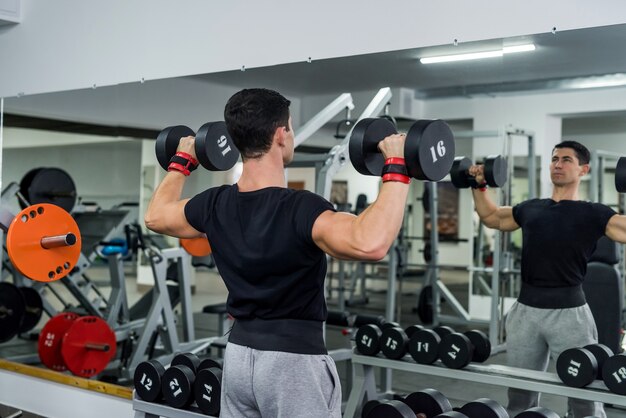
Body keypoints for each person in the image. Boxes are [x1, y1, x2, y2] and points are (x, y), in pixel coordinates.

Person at [144, 88, 410, 418]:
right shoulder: (301, 209)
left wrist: (183, 161)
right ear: (281, 134)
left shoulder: (215, 204)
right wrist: (397, 165)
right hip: (292, 364)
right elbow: (370, 242)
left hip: (239, 358)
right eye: (291, 127)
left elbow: (155, 215)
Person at [469, 140, 626, 418]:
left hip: (570, 315)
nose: (558, 164)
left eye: (566, 160)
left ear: (583, 170)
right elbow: (492, 217)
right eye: (554, 159)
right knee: (519, 392)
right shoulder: (530, 208)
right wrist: (479, 186)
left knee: (584, 394)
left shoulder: (594, 213)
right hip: (524, 313)